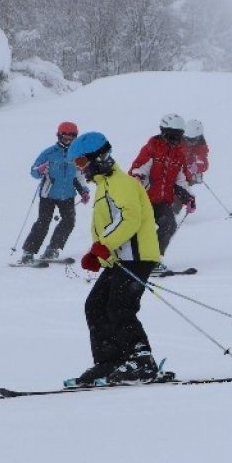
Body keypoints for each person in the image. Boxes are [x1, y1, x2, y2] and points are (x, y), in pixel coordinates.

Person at [64, 131, 167, 387]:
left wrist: (102, 246)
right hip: (120, 259)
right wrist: (99, 253)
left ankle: (142, 361)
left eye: (80, 162)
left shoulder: (121, 183)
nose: (80, 170)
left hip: (137, 256)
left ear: (96, 157)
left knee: (120, 307)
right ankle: (111, 361)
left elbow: (129, 218)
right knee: (96, 305)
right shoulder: (103, 187)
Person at [130, 113, 194, 273]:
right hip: (143, 198)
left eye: (179, 136)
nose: (175, 139)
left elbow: (181, 178)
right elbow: (140, 166)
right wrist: (137, 176)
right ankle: (127, 259)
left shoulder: (179, 154)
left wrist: (188, 197)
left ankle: (153, 261)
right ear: (163, 132)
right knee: (139, 230)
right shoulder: (152, 148)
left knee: (169, 224)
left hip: (162, 200)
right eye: (172, 135)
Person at [20, 121, 90, 264]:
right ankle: (28, 253)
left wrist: (84, 191)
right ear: (59, 136)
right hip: (48, 195)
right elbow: (33, 171)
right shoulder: (49, 153)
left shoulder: (78, 155)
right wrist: (39, 170)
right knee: (43, 222)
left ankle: (52, 249)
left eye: (72, 139)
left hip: (68, 195)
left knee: (69, 221)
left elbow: (79, 175)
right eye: (65, 138)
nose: (68, 141)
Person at [183, 119, 209, 186]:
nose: (190, 142)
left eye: (193, 140)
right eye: (187, 139)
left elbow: (202, 163)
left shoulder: (200, 145)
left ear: (199, 137)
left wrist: (191, 170)